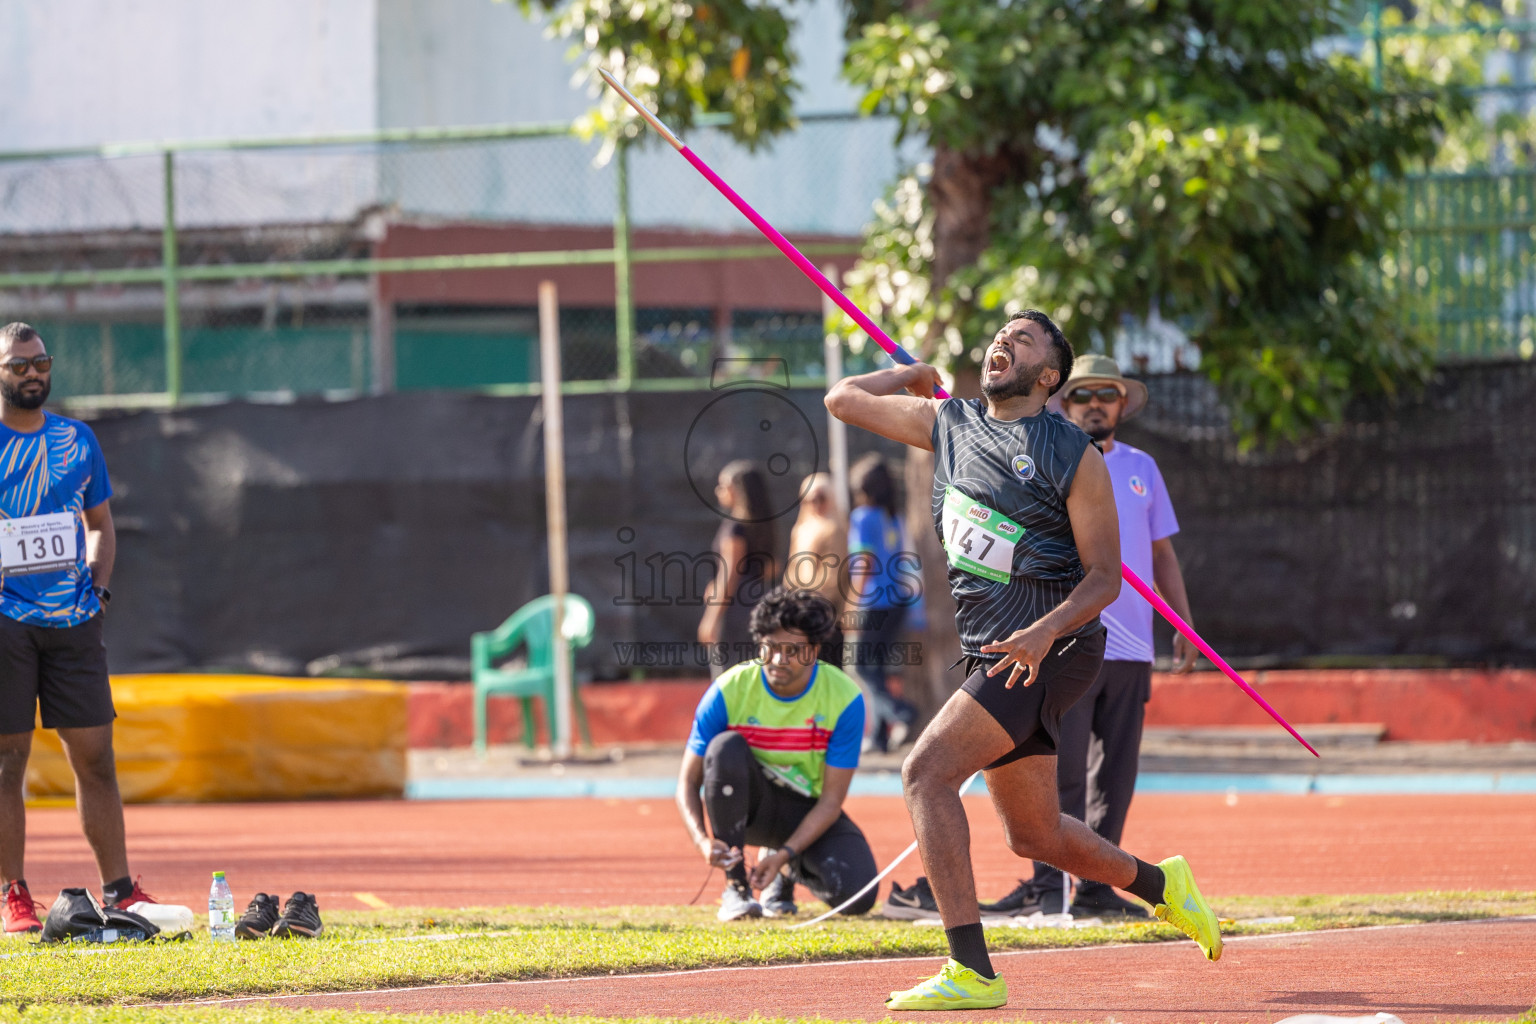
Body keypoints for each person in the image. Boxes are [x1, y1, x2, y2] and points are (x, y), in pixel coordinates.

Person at [825, 310, 1220, 1011]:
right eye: (1001, 333)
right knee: (1034, 836)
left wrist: (1043, 632)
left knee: (925, 773)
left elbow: (1106, 577)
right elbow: (843, 399)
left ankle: (972, 970)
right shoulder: (948, 424)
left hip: (1054, 649)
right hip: (996, 654)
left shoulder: (1073, 453)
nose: (1004, 340)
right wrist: (909, 376)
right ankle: (1165, 885)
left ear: (1047, 377)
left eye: (1025, 338)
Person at [986, 355, 1198, 919]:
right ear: (1062, 402)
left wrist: (1184, 623)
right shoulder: (1044, 463)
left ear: (1121, 404)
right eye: (1082, 395)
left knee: (1116, 774)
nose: (1094, 404)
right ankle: (1048, 885)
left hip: (1133, 645)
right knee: (1062, 769)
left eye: (1106, 394)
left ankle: (1098, 889)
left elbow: (1161, 553)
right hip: (1070, 642)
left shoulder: (1143, 468)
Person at [0, 322, 155, 934]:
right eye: (19, 366)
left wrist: (100, 586)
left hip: (73, 620)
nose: (33, 373)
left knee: (97, 758)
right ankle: (13, 893)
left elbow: (101, 524)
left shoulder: (76, 440)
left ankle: (121, 889)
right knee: (7, 763)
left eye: (41, 363)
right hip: (5, 622)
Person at [676, 586, 878, 922]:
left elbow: (830, 802)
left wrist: (784, 855)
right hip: (748, 810)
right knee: (725, 748)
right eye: (770, 648)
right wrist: (700, 841)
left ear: (814, 651)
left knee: (857, 897)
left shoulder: (845, 699)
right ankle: (737, 889)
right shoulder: (730, 689)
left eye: (792, 650)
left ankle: (784, 871)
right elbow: (687, 781)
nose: (779, 660)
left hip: (805, 811)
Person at [846, 454, 917, 752]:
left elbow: (863, 563)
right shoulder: (894, 517)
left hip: (874, 602)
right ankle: (879, 736)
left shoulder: (863, 517)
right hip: (897, 603)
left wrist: (852, 603)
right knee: (875, 667)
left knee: (861, 667)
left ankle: (902, 713)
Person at [698, 460, 777, 673]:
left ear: (737, 489)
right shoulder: (764, 526)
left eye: (723, 485)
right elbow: (771, 569)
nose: (719, 491)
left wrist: (711, 618)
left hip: (734, 612)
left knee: (728, 678)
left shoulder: (735, 528)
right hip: (758, 606)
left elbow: (730, 573)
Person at [786, 472, 847, 665]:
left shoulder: (835, 529)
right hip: (801, 613)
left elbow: (832, 576)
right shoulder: (801, 528)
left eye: (820, 498)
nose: (815, 503)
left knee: (826, 670)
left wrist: (811, 606)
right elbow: (792, 569)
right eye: (810, 498)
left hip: (825, 616)